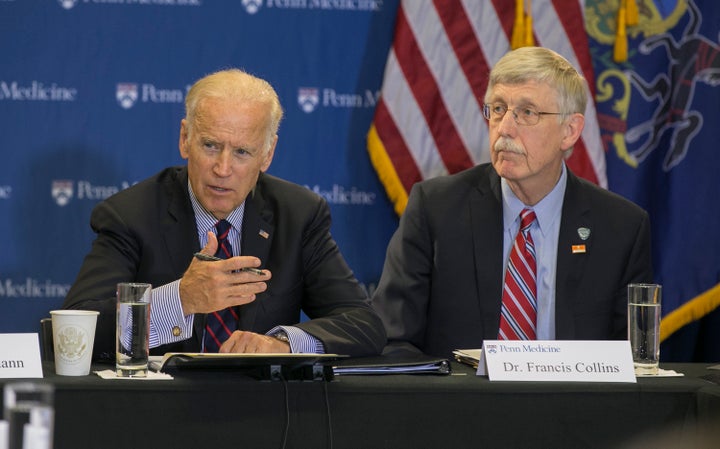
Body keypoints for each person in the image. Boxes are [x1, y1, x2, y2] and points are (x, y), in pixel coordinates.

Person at [63, 69, 385, 359]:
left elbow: (364, 324)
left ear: (268, 153)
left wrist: (284, 343)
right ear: (185, 139)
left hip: (263, 412)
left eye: (242, 152)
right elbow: (73, 332)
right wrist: (180, 299)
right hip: (162, 412)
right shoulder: (130, 215)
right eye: (210, 146)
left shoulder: (298, 215)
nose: (223, 168)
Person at [371, 47, 653, 358]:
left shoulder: (621, 228)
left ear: (570, 131)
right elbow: (393, 339)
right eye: (498, 109)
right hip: (461, 403)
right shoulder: (435, 209)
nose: (504, 128)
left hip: (571, 405)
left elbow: (632, 363)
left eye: (527, 112)